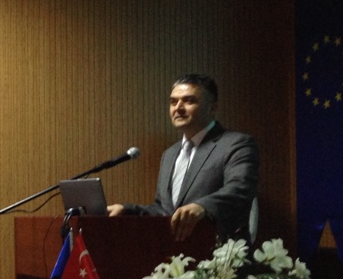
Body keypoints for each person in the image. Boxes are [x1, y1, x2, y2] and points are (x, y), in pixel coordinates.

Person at [107, 74, 259, 241]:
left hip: (219, 250)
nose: (178, 108)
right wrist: (127, 210)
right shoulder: (169, 154)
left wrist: (203, 207)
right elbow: (165, 210)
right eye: (173, 102)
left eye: (189, 101)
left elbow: (240, 189)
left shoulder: (236, 144)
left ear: (212, 108)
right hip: (176, 252)